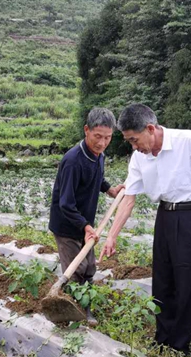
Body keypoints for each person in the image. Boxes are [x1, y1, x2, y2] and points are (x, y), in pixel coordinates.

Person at [100, 104, 191, 353]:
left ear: (151, 129)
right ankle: (163, 336)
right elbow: (128, 199)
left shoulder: (189, 140)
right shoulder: (138, 157)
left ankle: (180, 343)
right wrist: (111, 236)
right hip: (164, 216)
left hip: (190, 215)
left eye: (135, 140)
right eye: (129, 142)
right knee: (162, 278)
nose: (134, 147)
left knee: (186, 278)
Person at [49, 107, 124, 320]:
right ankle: (73, 313)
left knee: (89, 267)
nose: (102, 143)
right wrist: (85, 226)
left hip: (84, 224)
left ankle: (85, 306)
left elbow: (97, 177)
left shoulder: (98, 155)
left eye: (107, 138)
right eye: (97, 136)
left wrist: (109, 189)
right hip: (67, 225)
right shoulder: (73, 161)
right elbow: (66, 203)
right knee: (75, 270)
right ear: (86, 130)